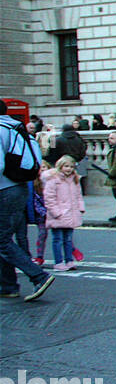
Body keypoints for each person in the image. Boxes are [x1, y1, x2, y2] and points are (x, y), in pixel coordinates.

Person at [1, 101, 55, 302]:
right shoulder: (18, 128)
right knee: (4, 238)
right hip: (20, 187)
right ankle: (8, 285)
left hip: (3, 189)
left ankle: (39, 276)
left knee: (2, 240)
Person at [41, 156, 83, 272]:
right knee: (58, 239)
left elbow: (78, 195)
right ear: (60, 166)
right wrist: (56, 213)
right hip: (58, 215)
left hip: (71, 213)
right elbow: (49, 198)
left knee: (68, 239)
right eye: (66, 166)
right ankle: (58, 262)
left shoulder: (74, 179)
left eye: (71, 166)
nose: (69, 169)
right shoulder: (53, 179)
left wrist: (80, 207)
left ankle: (69, 260)